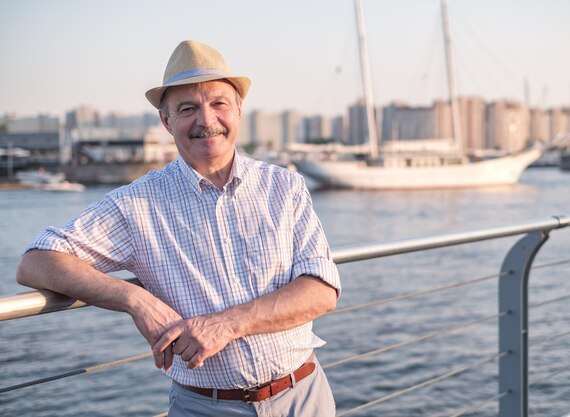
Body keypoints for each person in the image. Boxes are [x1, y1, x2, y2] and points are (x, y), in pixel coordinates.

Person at [16, 40, 341, 417]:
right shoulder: (136, 204)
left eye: (219, 103)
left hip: (305, 395)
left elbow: (321, 291)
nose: (206, 120)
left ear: (238, 111)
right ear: (166, 121)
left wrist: (225, 325)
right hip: (206, 407)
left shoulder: (284, 187)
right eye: (188, 108)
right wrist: (135, 301)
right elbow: (35, 262)